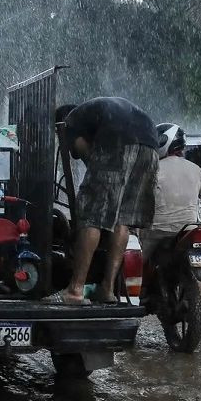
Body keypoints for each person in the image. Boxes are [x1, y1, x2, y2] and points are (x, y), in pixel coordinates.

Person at [59, 97, 159, 305]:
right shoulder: (95, 111)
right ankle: (107, 288)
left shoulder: (69, 121)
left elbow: (84, 152)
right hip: (150, 146)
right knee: (122, 218)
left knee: (92, 216)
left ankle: (76, 289)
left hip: (118, 143)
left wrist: (98, 183)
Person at [140, 123, 201, 341]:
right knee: (198, 270)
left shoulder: (151, 169)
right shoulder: (196, 169)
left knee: (134, 267)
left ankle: (137, 299)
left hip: (156, 232)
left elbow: (137, 202)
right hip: (190, 232)